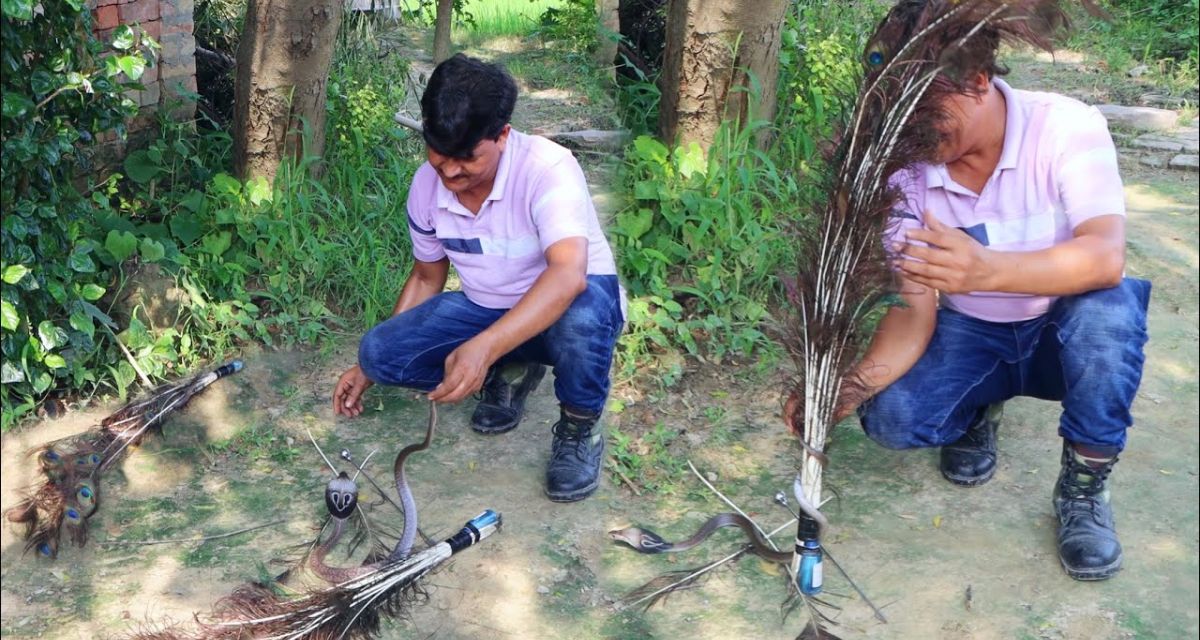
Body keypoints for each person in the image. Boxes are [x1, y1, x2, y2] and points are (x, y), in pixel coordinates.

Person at [820, 7, 1149, 581]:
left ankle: (1084, 487)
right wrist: (848, 387)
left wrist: (988, 271)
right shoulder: (906, 172)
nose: (910, 135)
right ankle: (978, 408)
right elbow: (913, 309)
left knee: (1110, 312)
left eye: (925, 114)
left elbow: (1104, 256)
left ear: (978, 84)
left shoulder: (1066, 127)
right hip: (974, 333)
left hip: (1059, 333)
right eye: (898, 119)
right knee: (892, 418)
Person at [332, 54, 625, 503]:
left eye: (467, 158)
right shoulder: (426, 188)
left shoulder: (548, 169)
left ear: (502, 135)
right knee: (379, 351)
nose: (450, 172)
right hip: (485, 309)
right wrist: (369, 369)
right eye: (439, 155)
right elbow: (427, 277)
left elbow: (567, 275)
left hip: (569, 307)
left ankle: (579, 426)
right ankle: (511, 366)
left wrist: (482, 347)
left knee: (582, 319)